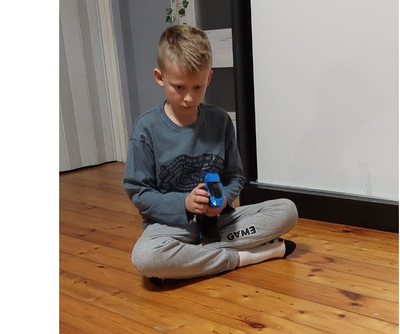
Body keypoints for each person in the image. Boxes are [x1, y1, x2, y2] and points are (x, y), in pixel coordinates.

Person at [123, 24, 298, 284]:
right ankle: (246, 256)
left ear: (209, 78)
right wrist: (184, 203)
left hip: (220, 222)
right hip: (170, 228)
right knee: (146, 257)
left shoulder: (220, 120)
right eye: (179, 87)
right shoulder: (146, 129)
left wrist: (223, 200)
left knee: (287, 211)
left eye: (198, 87)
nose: (189, 98)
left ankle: (190, 258)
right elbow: (139, 192)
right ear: (160, 77)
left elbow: (235, 177)